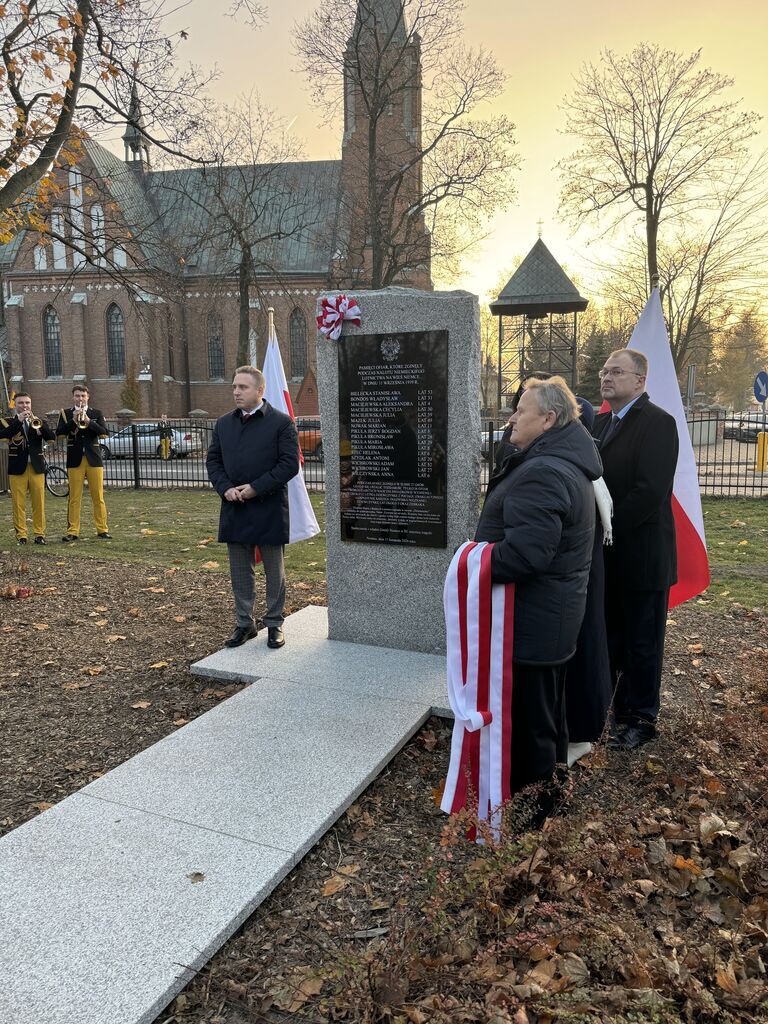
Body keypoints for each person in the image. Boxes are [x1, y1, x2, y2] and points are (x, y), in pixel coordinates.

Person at [475, 376, 602, 824]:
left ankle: (535, 820)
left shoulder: (544, 471)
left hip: (533, 623)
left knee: (532, 722)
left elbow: (526, 556)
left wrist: (473, 559)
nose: (511, 417)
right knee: (548, 713)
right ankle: (550, 797)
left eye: (520, 411)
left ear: (548, 419)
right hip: (550, 619)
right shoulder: (558, 459)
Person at [593, 348, 679, 751]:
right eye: (604, 371)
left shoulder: (658, 423)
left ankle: (642, 718)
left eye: (616, 372)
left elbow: (649, 493)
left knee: (642, 642)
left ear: (640, 380)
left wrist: (606, 527)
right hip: (610, 556)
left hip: (642, 554)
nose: (606, 377)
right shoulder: (600, 422)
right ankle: (614, 709)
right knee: (612, 636)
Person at [206, 365, 300, 650]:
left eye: (242, 387)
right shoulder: (223, 424)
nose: (236, 391)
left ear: (259, 390)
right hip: (234, 506)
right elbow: (214, 462)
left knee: (274, 569)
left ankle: (274, 623)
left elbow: (289, 464)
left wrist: (256, 487)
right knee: (239, 569)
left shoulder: (281, 423)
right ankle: (244, 624)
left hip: (268, 505)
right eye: (234, 386)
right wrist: (225, 488)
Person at [56, 384, 111, 542]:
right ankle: (73, 531)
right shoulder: (65, 414)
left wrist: (88, 421)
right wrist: (73, 420)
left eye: (83, 396)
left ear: (88, 397)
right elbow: (59, 434)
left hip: (94, 459)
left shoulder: (96, 413)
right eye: (77, 396)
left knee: (98, 496)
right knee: (74, 497)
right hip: (75, 459)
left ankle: (102, 529)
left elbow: (104, 433)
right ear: (73, 397)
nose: (80, 398)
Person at [0, 393, 55, 544]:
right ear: (15, 405)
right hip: (17, 467)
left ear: (31, 404)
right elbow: (3, 436)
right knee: (18, 503)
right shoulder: (7, 422)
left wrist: (41, 428)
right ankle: (22, 535)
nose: (25, 406)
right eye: (21, 403)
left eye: (27, 403)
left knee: (39, 503)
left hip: (36, 467)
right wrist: (18, 421)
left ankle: (39, 534)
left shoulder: (38, 421)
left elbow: (51, 438)